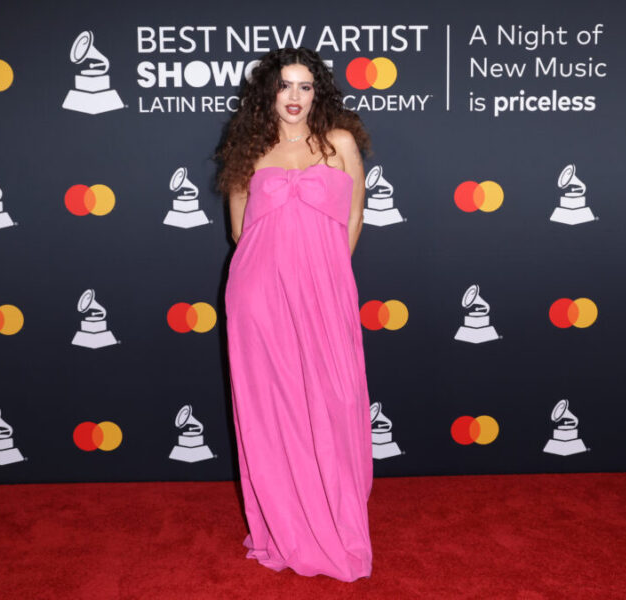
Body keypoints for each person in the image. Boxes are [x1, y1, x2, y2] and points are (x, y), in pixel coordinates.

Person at [215, 47, 374, 582]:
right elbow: (241, 231)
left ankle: (334, 524)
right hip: (258, 295)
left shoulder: (341, 144)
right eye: (285, 85)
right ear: (269, 92)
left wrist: (324, 277)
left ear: (318, 93)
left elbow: (353, 218)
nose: (295, 97)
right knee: (274, 410)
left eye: (306, 86)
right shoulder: (251, 149)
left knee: (333, 403)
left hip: (324, 292)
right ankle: (283, 526)